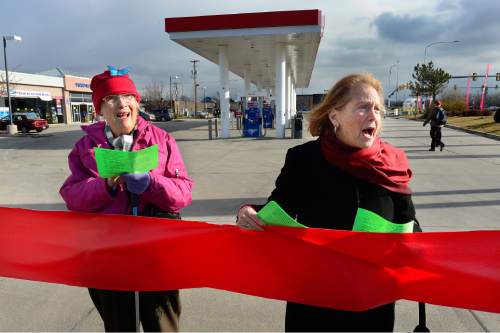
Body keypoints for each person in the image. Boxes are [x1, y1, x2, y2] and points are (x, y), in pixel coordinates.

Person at [236, 74, 416, 332]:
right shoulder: (304, 159)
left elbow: (409, 221)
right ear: (335, 117)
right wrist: (248, 212)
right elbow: (279, 209)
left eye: (377, 109)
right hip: (316, 298)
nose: (373, 115)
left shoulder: (393, 162)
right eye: (363, 107)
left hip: (373, 300)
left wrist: (416, 248)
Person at [60, 67, 193, 332]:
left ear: (136, 102)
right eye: (111, 99)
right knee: (119, 325)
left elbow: (183, 194)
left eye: (127, 96)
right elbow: (73, 197)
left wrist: (151, 183)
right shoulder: (85, 148)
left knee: (163, 325)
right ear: (101, 109)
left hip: (156, 253)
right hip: (108, 255)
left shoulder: (163, 140)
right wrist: (106, 185)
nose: (121, 103)